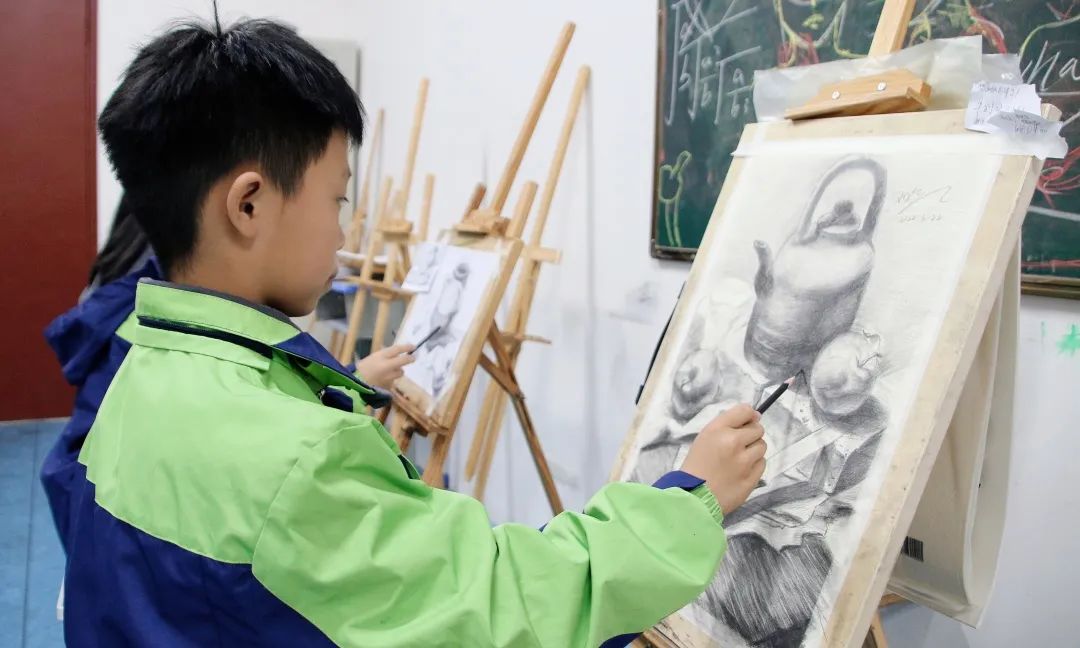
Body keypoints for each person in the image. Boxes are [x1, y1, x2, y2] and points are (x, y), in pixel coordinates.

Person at [64, 14, 767, 647]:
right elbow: (499, 609)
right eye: (337, 198)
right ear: (249, 205)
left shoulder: (135, 375)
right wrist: (688, 502)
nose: (344, 230)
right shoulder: (299, 463)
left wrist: (336, 392)